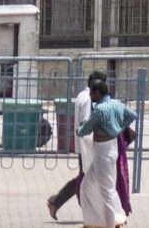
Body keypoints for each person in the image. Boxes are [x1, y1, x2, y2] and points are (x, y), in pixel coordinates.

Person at [78, 75, 135, 228]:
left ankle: (110, 223)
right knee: (86, 185)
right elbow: (132, 115)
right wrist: (119, 127)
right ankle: (93, 222)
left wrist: (79, 130)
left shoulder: (100, 110)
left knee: (107, 191)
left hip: (103, 153)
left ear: (97, 92)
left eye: (91, 93)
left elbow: (85, 129)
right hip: (110, 149)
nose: (90, 96)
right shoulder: (116, 104)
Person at [49, 75, 101, 220]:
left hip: (84, 146)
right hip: (88, 147)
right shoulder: (88, 99)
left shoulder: (82, 95)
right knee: (85, 179)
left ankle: (57, 201)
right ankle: (56, 201)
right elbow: (86, 122)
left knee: (86, 178)